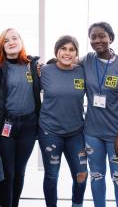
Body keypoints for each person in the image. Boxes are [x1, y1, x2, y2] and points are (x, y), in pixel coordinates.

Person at [82, 21, 118, 207]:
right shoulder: (87, 60)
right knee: (96, 177)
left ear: (110, 39)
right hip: (92, 133)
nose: (97, 40)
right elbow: (66, 61)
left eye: (102, 36)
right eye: (93, 37)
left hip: (117, 134)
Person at [0, 28, 41, 207]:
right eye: (6, 40)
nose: (11, 42)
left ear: (21, 41)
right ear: (2, 46)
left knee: (19, 171)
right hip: (6, 126)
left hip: (29, 125)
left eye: (15, 38)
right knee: (7, 172)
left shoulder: (32, 65)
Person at [38, 35, 88, 207]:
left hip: (76, 132)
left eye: (71, 49)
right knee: (52, 175)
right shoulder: (44, 71)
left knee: (81, 174)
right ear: (56, 51)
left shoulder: (82, 71)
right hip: (49, 132)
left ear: (76, 53)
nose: (67, 53)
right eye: (63, 49)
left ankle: (77, 204)